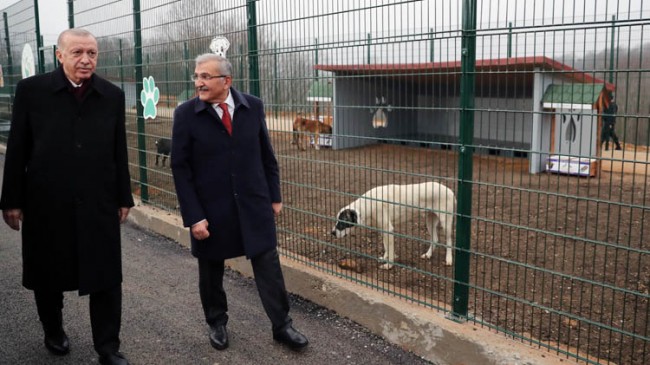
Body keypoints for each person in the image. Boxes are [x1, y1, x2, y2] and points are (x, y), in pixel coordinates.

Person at [0, 29, 133, 365]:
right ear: (59, 55)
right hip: (46, 201)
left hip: (98, 200)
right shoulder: (32, 92)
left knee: (105, 276)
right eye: (77, 52)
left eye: (91, 53)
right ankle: (53, 330)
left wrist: (123, 197)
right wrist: (11, 200)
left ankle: (108, 347)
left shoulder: (112, 96)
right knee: (48, 274)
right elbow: (17, 148)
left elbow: (119, 151)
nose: (85, 59)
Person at [171, 54, 309, 351]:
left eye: (206, 77)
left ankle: (282, 325)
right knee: (211, 269)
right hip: (210, 209)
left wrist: (274, 196)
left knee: (268, 264)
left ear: (226, 81)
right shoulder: (185, 114)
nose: (199, 83)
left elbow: (266, 154)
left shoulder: (252, 106)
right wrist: (194, 216)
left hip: (253, 203)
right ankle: (216, 322)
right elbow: (180, 169)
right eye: (197, 76)